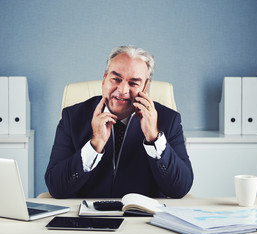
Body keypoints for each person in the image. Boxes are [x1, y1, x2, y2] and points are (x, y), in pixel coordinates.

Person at [45, 46, 193, 198]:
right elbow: (56, 188)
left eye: (133, 83)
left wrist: (154, 138)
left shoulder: (168, 119)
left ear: (145, 86)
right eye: (116, 79)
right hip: (88, 217)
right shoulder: (73, 117)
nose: (122, 90)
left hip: (144, 217)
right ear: (104, 79)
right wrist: (94, 145)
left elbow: (179, 189)